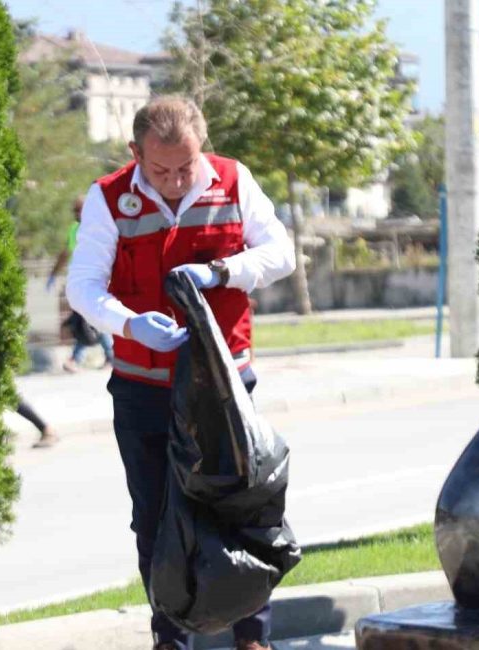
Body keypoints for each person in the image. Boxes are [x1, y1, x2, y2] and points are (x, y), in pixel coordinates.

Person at [66, 96, 295, 650]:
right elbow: (84, 288)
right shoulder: (108, 198)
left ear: (202, 146)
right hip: (143, 387)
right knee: (156, 519)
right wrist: (129, 324)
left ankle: (252, 640)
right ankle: (170, 639)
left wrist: (222, 272)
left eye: (185, 167)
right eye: (160, 169)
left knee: (240, 507)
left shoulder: (234, 182)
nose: (173, 180)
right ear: (135, 153)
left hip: (224, 385)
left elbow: (281, 254)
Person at [48, 196, 115, 373]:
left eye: (79, 210)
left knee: (89, 319)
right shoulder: (75, 229)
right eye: (74, 211)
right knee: (86, 320)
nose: (76, 214)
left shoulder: (98, 228)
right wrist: (53, 274)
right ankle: (97, 357)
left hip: (96, 281)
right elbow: (66, 253)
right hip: (79, 282)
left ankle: (80, 358)